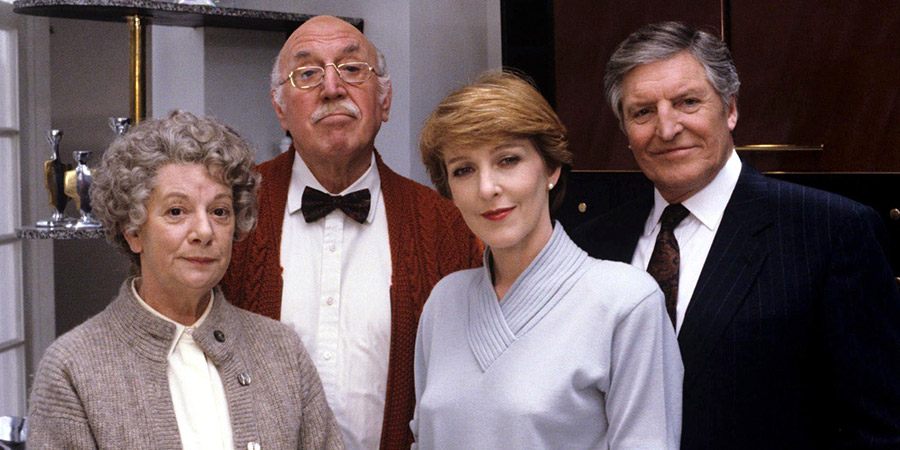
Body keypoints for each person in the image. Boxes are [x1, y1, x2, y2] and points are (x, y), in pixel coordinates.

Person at [572, 22, 900, 449]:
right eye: (642, 111)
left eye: (688, 102)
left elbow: (881, 427)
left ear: (730, 108)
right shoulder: (591, 245)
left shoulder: (831, 232)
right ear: (624, 130)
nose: (667, 128)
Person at [220, 15, 482, 449]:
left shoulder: (448, 228)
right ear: (279, 108)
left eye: (353, 69)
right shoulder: (226, 216)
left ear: (385, 100)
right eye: (306, 73)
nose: (332, 88)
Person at [26, 111, 343, 449]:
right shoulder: (72, 369)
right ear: (133, 230)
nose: (204, 231)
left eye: (220, 211)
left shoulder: (283, 351)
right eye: (176, 211)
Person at [411, 71, 683, 448]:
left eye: (507, 160)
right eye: (464, 170)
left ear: (551, 168)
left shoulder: (625, 302)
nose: (487, 188)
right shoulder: (445, 301)